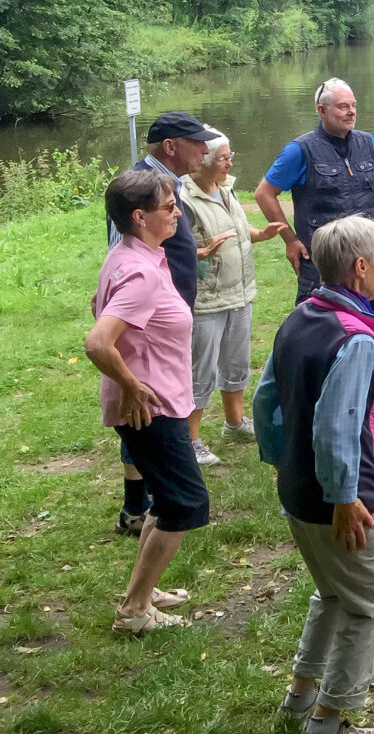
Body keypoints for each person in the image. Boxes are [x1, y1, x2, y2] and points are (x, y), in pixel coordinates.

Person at [254, 216, 374, 734]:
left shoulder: (300, 317)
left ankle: (300, 698)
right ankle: (328, 726)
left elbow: (264, 401)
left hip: (297, 489)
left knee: (334, 592)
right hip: (343, 499)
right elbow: (337, 427)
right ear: (360, 267)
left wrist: (282, 463)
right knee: (371, 601)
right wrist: (345, 499)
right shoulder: (355, 338)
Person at [85, 170, 210, 633]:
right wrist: (133, 385)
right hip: (150, 408)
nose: (177, 211)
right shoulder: (139, 272)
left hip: (159, 401)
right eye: (169, 206)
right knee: (184, 503)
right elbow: (98, 341)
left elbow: (98, 304)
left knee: (167, 498)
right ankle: (135, 610)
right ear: (139, 217)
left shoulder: (131, 255)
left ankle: (143, 590)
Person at [112, 110, 226, 514]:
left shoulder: (169, 184)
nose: (205, 150)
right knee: (144, 411)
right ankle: (137, 505)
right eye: (197, 143)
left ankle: (145, 502)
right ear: (170, 147)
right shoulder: (141, 187)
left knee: (156, 407)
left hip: (164, 314)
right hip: (146, 321)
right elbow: (123, 251)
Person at [255, 78, 374, 328]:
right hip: (323, 258)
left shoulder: (368, 143)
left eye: (353, 105)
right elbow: (264, 193)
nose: (351, 111)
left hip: (369, 253)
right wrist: (290, 240)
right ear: (322, 110)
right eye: (343, 106)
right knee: (321, 325)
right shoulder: (300, 150)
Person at [181, 132, 288, 457]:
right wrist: (201, 253)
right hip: (206, 299)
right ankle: (190, 440)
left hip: (239, 293)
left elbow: (236, 232)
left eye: (230, 156)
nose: (230, 163)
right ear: (203, 160)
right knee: (201, 370)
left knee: (236, 362)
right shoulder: (184, 199)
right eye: (223, 158)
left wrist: (261, 234)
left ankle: (234, 422)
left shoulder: (225, 189)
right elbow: (173, 250)